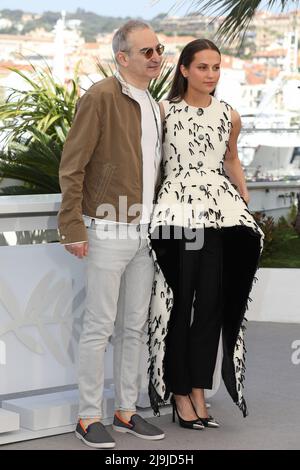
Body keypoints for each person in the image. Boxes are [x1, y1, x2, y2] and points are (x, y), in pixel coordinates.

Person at [58, 20, 165, 448]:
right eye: (147, 52)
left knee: (134, 327)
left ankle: (125, 410)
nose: (156, 57)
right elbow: (72, 165)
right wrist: (72, 225)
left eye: (158, 49)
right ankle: (87, 417)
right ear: (123, 58)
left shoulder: (153, 105)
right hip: (106, 229)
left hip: (146, 231)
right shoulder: (100, 97)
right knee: (100, 327)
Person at [147, 39, 264, 429]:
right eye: (202, 67)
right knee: (180, 303)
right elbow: (153, 166)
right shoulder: (164, 111)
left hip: (221, 213)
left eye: (216, 67)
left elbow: (231, 159)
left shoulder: (229, 115)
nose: (211, 75)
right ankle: (179, 392)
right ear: (184, 69)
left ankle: (199, 388)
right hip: (177, 212)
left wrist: (244, 202)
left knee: (212, 304)